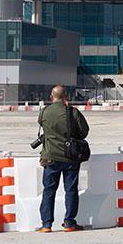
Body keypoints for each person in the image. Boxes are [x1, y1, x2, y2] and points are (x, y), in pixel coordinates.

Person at [36, 84, 90, 233]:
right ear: (66, 97)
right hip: (70, 158)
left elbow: (42, 126)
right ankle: (69, 222)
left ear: (51, 97)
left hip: (50, 157)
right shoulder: (73, 112)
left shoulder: (44, 112)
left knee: (49, 191)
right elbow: (84, 132)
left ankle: (46, 224)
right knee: (71, 190)